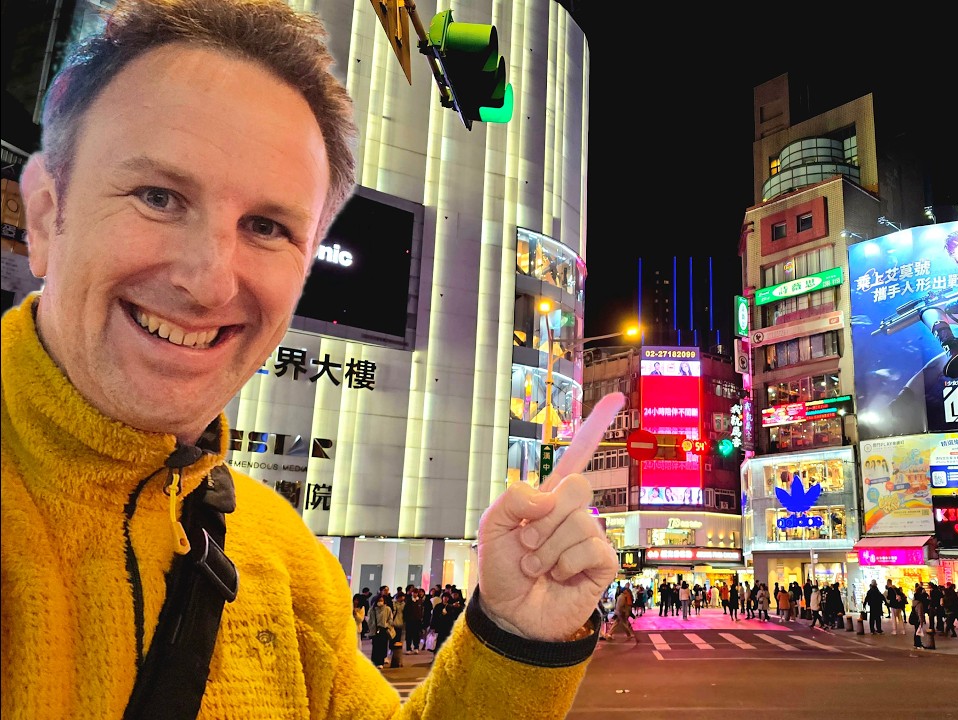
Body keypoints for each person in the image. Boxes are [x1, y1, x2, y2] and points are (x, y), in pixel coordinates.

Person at [0, 1, 625, 715]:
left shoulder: (283, 559)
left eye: (267, 227)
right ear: (46, 215)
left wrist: (515, 636)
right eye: (158, 196)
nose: (207, 281)